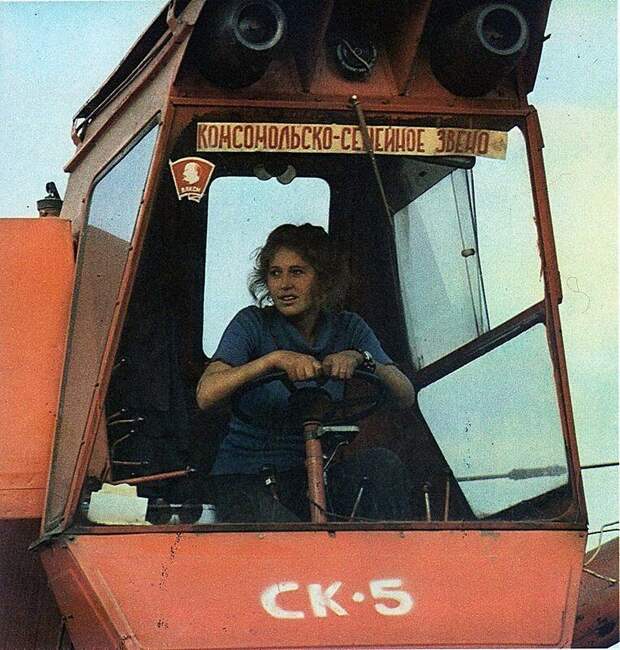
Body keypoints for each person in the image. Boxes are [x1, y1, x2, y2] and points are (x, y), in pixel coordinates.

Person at [196, 223, 416, 522]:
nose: (284, 284)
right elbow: (206, 395)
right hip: (245, 478)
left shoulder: (348, 327)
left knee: (383, 466)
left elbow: (405, 395)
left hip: (311, 476)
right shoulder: (252, 323)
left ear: (323, 279)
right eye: (275, 273)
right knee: (285, 532)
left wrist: (360, 358)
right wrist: (273, 360)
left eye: (297, 272)